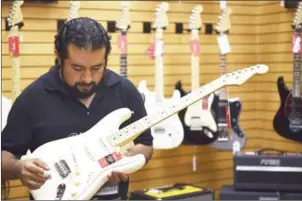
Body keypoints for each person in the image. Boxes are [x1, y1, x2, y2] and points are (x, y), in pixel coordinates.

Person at [1, 17, 153, 200]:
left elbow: (145, 144)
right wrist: (19, 168)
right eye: (77, 68)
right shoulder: (32, 99)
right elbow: (5, 155)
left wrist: (124, 161)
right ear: (58, 56)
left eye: (97, 68)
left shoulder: (125, 91)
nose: (88, 78)